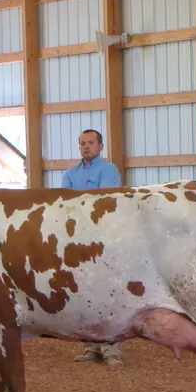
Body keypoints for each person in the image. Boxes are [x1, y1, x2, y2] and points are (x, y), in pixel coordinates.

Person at [62, 129, 124, 366]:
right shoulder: (70, 173)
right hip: (78, 239)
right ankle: (90, 345)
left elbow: (103, 202)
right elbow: (66, 205)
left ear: (100, 146)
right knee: (84, 293)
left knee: (109, 292)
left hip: (104, 239)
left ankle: (112, 347)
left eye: (90, 143)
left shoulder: (109, 171)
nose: (86, 147)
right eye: (82, 143)